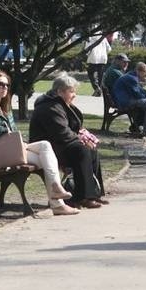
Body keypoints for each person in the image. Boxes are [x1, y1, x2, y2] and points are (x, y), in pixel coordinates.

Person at [0, 70, 78, 216]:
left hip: (12, 148)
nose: (4, 88)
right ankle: (57, 200)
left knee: (45, 146)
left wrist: (19, 141)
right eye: (0, 85)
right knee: (47, 158)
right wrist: (2, 129)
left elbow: (13, 132)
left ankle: (56, 190)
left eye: (7, 85)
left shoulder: (5, 109)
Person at [29, 73, 108, 209]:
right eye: (71, 91)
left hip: (61, 144)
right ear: (59, 91)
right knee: (82, 151)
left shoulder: (60, 104)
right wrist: (81, 140)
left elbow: (71, 129)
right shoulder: (50, 107)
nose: (74, 95)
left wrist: (82, 138)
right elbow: (61, 132)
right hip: (48, 147)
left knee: (91, 151)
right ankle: (82, 196)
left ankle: (92, 194)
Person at [111, 62, 146, 138]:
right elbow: (138, 95)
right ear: (139, 71)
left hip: (126, 101)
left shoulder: (131, 76)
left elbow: (142, 91)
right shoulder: (131, 78)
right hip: (125, 103)